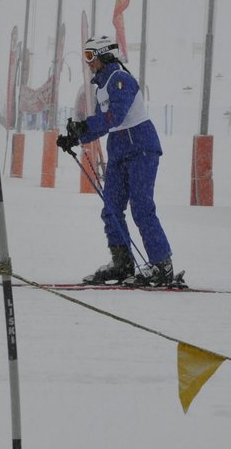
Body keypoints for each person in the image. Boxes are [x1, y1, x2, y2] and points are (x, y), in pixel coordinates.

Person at [57, 35, 177, 286]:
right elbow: (106, 123)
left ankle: (161, 264)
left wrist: (84, 126)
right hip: (120, 150)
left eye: (91, 56)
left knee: (141, 207)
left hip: (141, 147)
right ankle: (122, 263)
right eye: (86, 57)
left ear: (105, 55)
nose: (88, 62)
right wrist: (75, 137)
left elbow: (116, 116)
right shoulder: (102, 86)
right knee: (111, 208)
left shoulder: (120, 79)